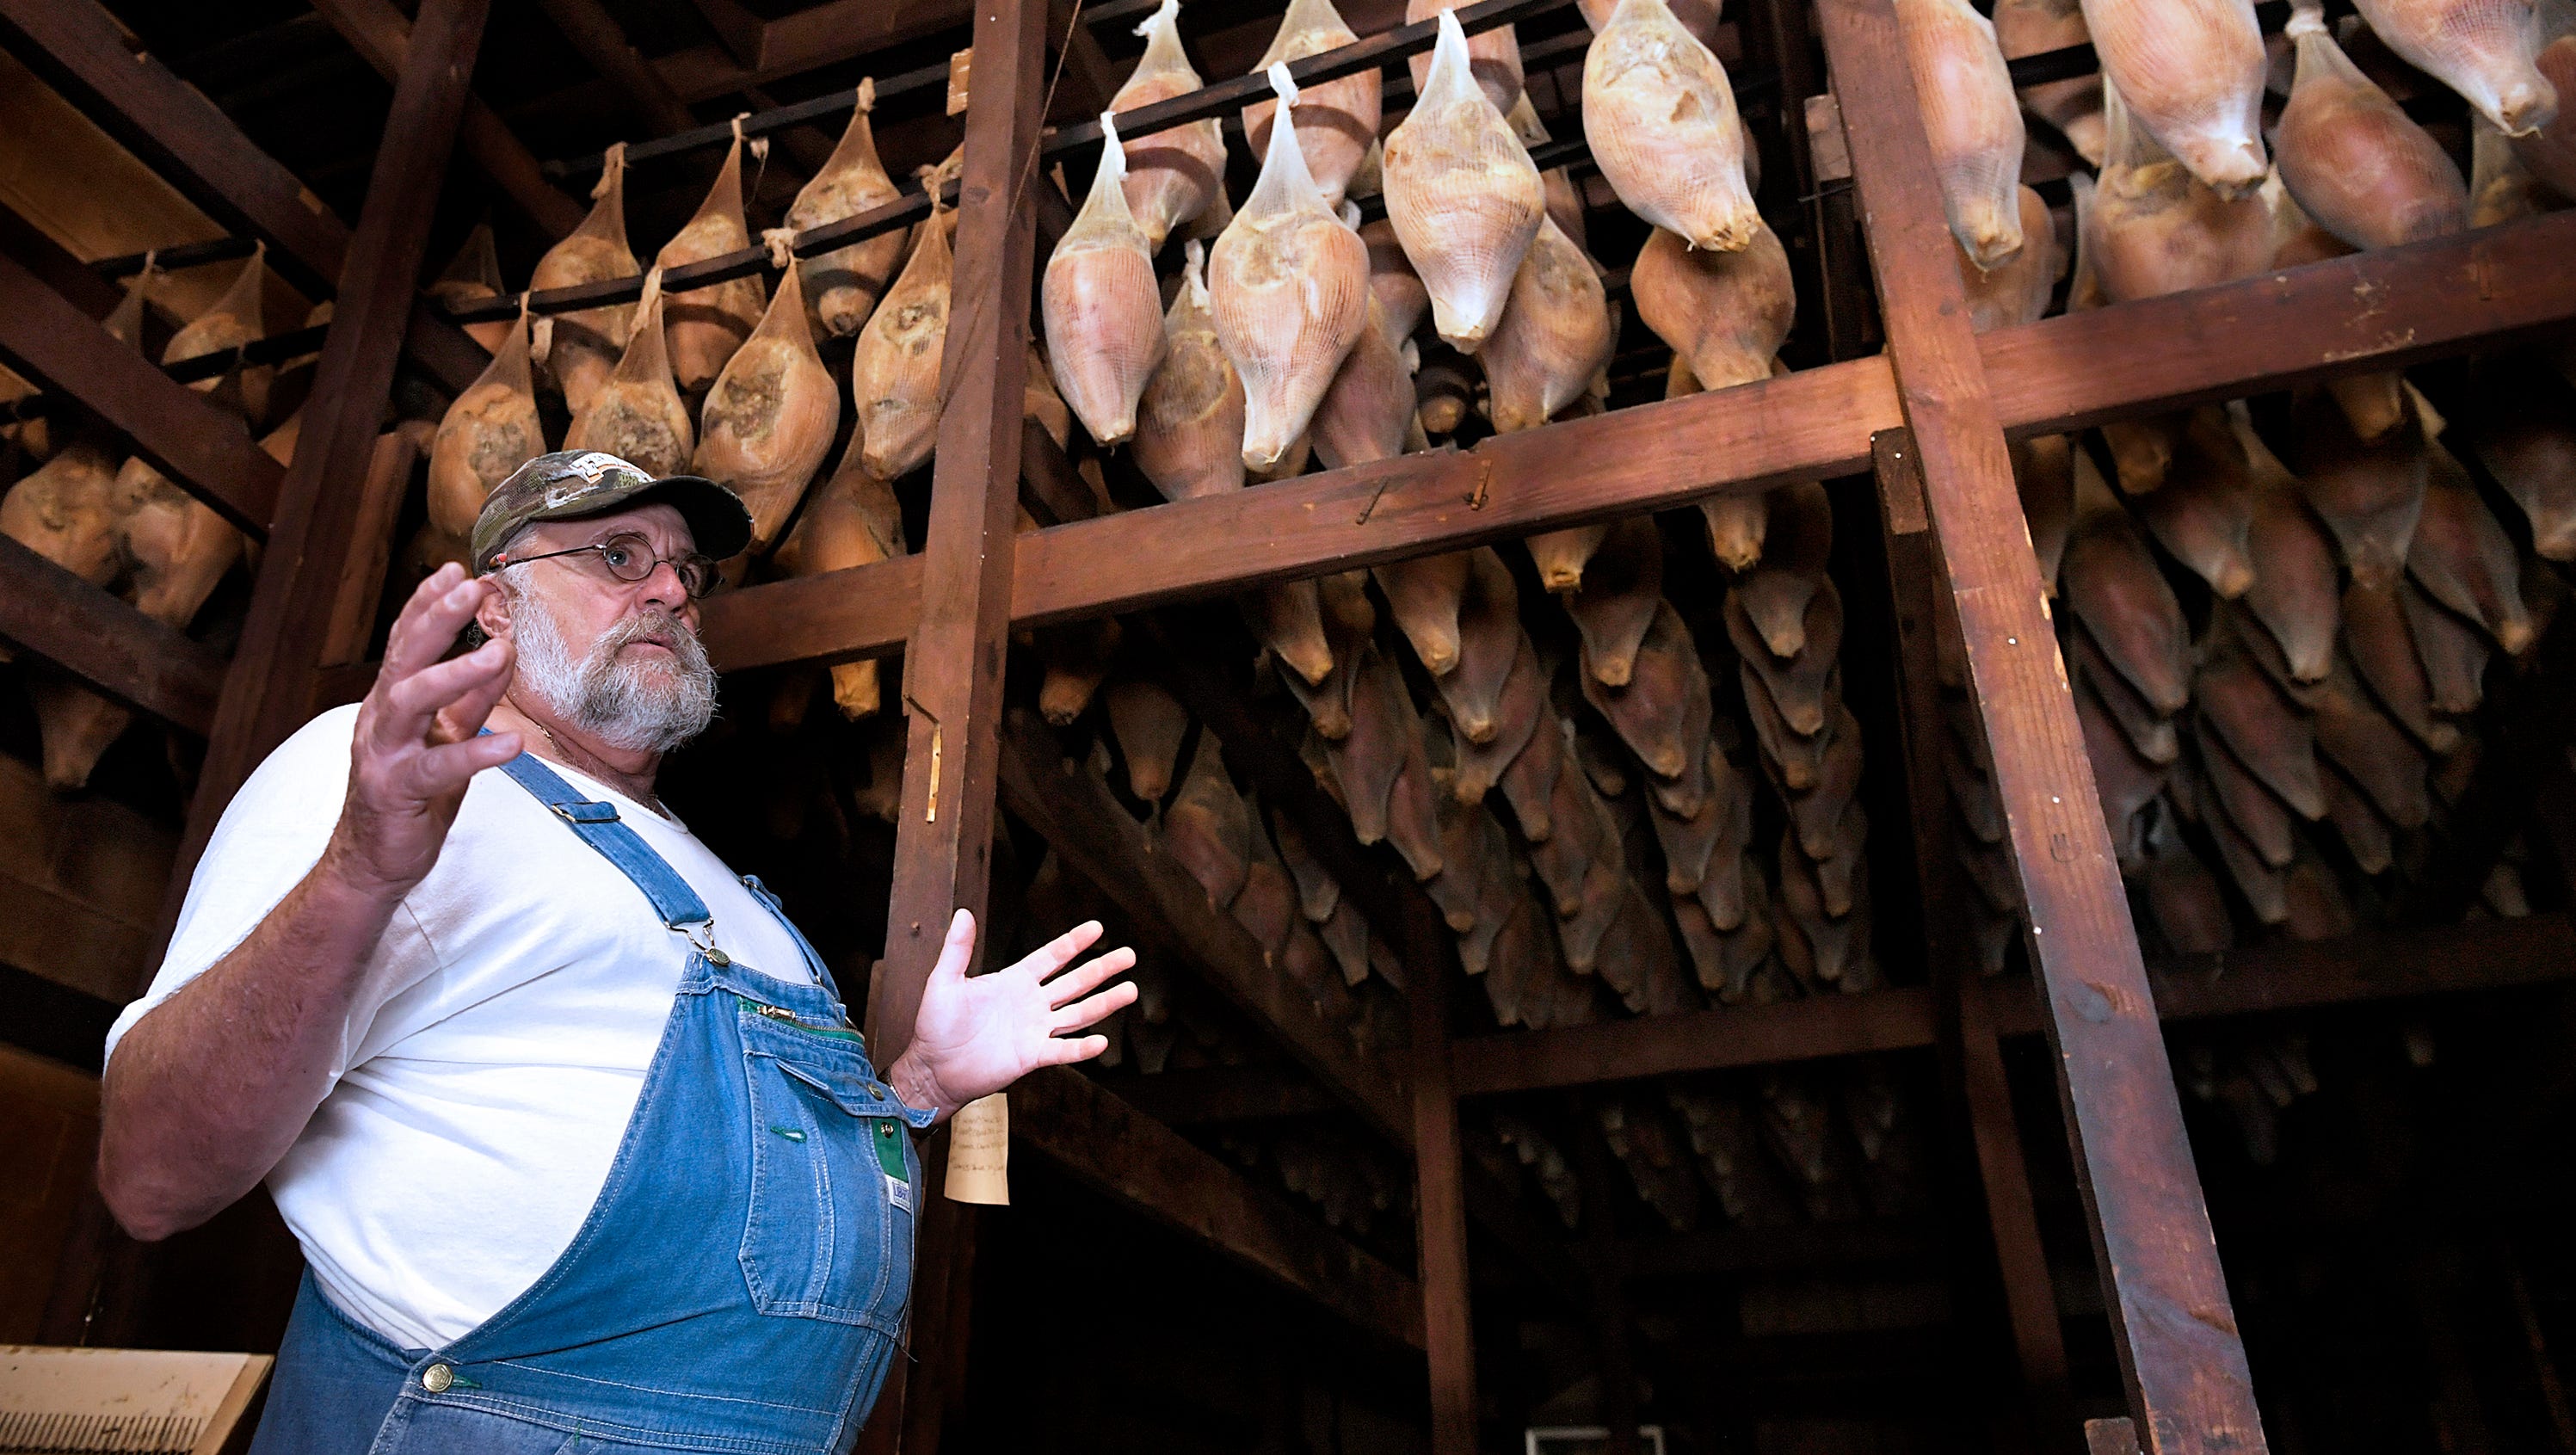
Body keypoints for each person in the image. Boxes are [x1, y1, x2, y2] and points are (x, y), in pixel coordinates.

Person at [96, 451, 1136, 1454]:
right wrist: (362, 867)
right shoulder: (375, 771)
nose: (674, 591)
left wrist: (918, 1085)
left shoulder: (719, 880)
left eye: (688, 571)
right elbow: (150, 1173)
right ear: (496, 603)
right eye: (619, 557)